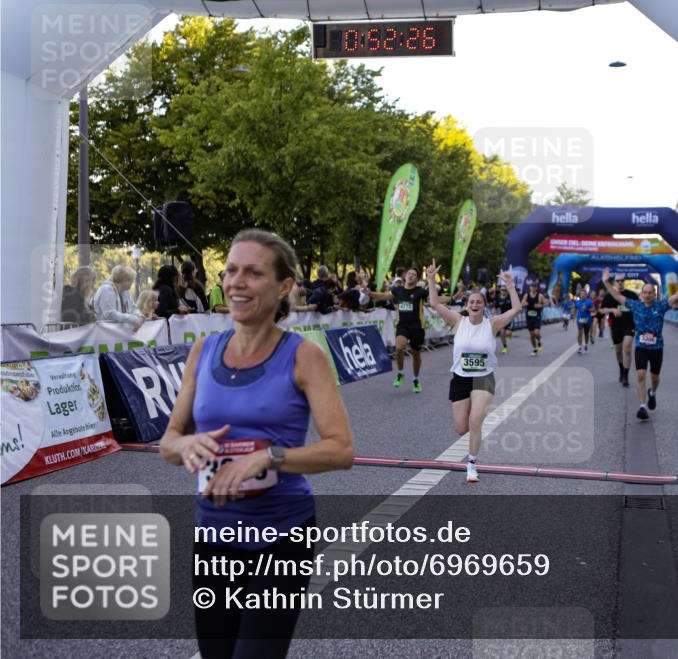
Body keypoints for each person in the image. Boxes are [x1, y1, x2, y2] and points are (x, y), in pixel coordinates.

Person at [159, 229, 354, 659]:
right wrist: (187, 446)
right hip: (213, 535)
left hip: (283, 537)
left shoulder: (304, 356)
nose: (236, 282)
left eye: (252, 272)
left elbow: (341, 450)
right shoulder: (203, 351)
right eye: (230, 271)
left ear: (284, 286)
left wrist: (271, 457)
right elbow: (169, 442)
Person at [425, 259, 520, 483]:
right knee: (461, 428)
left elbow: (516, 308)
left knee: (476, 419)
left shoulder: (493, 324)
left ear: (484, 306)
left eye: (479, 302)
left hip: (483, 377)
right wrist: (431, 280)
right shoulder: (458, 321)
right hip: (460, 378)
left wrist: (509, 285)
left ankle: (471, 464)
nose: (475, 304)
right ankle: (473, 443)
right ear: (466, 305)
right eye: (471, 301)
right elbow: (435, 304)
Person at [603, 268, 672, 421]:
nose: (647, 295)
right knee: (641, 375)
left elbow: (674, 298)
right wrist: (605, 282)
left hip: (657, 348)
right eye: (645, 292)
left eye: (650, 292)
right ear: (641, 295)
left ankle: (652, 393)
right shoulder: (636, 305)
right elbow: (616, 295)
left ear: (654, 294)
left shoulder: (660, 306)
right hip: (641, 346)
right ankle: (642, 406)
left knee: (655, 378)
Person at [364, 267, 429, 393]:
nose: (411, 275)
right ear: (405, 276)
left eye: (414, 274)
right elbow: (383, 296)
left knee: (416, 355)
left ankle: (415, 379)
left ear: (417, 279)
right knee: (399, 347)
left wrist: (452, 297)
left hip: (417, 327)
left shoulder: (420, 291)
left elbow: (434, 300)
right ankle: (400, 373)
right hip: (402, 325)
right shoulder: (397, 290)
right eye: (409, 273)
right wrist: (370, 293)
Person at [601, 274, 638, 386]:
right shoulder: (610, 296)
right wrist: (612, 309)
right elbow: (601, 310)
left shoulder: (632, 295)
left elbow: (638, 308)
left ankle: (626, 375)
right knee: (618, 351)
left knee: (627, 348)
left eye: (622, 280)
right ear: (615, 282)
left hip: (629, 325)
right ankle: (621, 368)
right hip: (616, 326)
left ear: (624, 281)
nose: (620, 282)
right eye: (618, 281)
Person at [91, 265, 144, 331]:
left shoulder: (126, 291)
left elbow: (133, 308)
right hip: (103, 331)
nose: (132, 282)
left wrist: (140, 316)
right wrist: (133, 319)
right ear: (122, 280)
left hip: (116, 331)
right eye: (130, 280)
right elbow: (110, 313)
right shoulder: (106, 289)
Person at [522, 281, 548, 356]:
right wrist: (525, 304)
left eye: (534, 287)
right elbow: (522, 303)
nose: (533, 288)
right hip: (529, 317)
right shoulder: (526, 295)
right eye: (532, 286)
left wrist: (541, 306)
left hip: (537, 317)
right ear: (530, 287)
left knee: (536, 332)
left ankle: (539, 341)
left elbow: (546, 303)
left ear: (536, 288)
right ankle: (535, 349)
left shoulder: (540, 296)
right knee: (532, 335)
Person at [571, 288, 596, 354]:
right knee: (580, 332)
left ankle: (586, 345)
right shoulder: (577, 302)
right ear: (580, 294)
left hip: (588, 319)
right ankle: (580, 346)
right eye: (581, 294)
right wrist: (573, 316)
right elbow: (575, 308)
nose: (582, 295)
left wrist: (587, 309)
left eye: (584, 294)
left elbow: (593, 310)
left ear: (586, 295)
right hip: (580, 319)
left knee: (586, 333)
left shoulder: (589, 301)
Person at [492, 281, 512, 354]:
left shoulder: (510, 297)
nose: (504, 291)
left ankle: (510, 334)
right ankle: (505, 346)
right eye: (502, 290)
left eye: (505, 290)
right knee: (502, 333)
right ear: (500, 291)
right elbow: (495, 307)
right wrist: (493, 312)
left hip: (510, 318)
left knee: (507, 333)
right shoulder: (498, 298)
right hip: (503, 318)